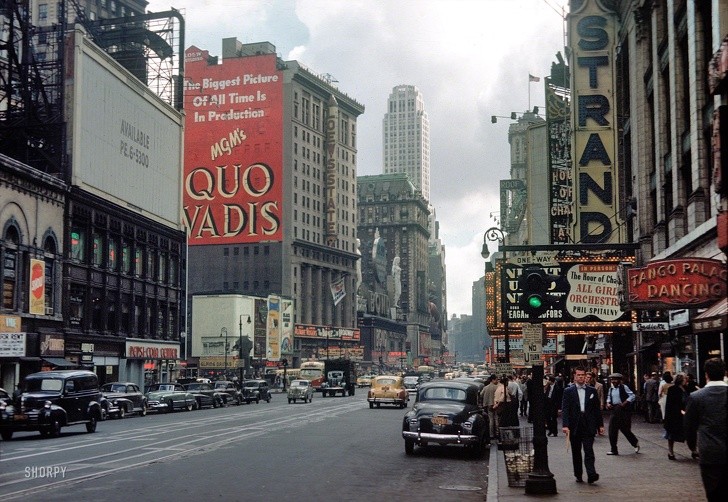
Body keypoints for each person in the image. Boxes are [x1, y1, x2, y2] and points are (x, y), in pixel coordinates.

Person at [684, 358, 728, 502]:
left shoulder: (696, 397)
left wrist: (692, 446)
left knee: (713, 494)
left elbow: (689, 427)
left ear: (706, 374)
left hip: (710, 452)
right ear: (724, 373)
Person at [562, 367, 605, 484]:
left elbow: (596, 409)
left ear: (586, 376)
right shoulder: (568, 391)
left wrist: (600, 425)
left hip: (588, 424)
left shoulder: (592, 391)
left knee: (589, 450)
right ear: (575, 377)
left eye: (583, 375)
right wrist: (565, 425)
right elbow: (565, 409)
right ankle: (578, 474)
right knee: (576, 452)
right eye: (578, 375)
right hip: (574, 425)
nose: (581, 377)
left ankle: (591, 474)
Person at [663, 373, 697, 460]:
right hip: (675, 415)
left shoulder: (686, 388)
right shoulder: (672, 389)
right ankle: (671, 452)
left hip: (686, 414)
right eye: (685, 379)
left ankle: (694, 450)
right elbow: (670, 404)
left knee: (690, 433)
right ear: (681, 380)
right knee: (671, 435)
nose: (687, 380)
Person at [605, 373, 640, 455]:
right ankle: (614, 449)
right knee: (612, 430)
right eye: (612, 379)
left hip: (623, 410)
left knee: (625, 429)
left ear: (619, 380)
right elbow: (609, 397)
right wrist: (608, 403)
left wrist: (625, 402)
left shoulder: (624, 387)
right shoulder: (611, 389)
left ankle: (635, 443)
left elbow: (632, 396)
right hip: (614, 410)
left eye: (615, 379)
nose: (614, 381)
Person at [479, 374, 499, 440]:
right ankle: (497, 433)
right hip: (495, 405)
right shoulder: (497, 387)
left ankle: (491, 434)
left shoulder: (486, 387)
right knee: (496, 419)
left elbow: (481, 395)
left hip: (488, 405)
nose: (497, 381)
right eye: (496, 379)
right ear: (493, 380)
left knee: (491, 420)